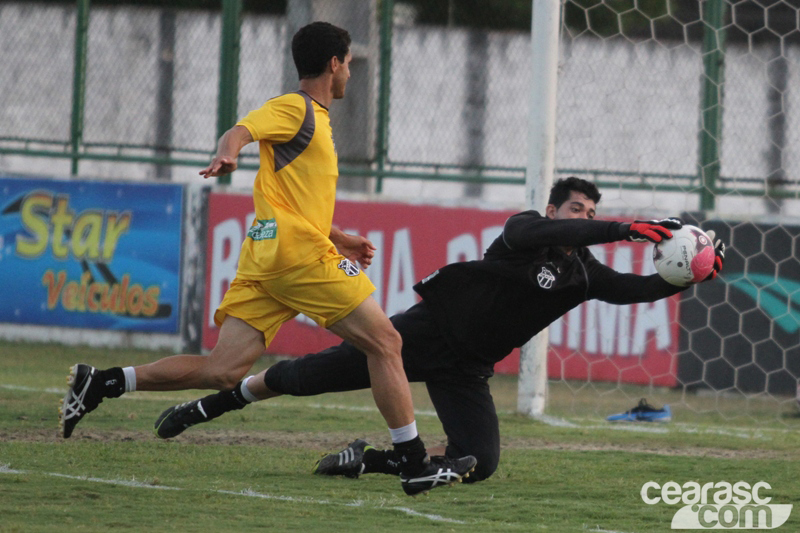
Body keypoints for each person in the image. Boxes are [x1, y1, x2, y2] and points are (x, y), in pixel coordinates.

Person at [58, 21, 476, 497]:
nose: (349, 73)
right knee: (386, 342)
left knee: (223, 370)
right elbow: (240, 130)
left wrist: (338, 236)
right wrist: (228, 154)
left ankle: (103, 383)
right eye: (348, 64)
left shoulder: (314, 119)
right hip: (297, 257)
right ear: (334, 64)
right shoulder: (297, 108)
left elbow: (293, 199)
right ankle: (414, 461)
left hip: (269, 258)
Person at [151, 177, 726, 484]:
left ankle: (370, 461)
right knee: (304, 376)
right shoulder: (524, 229)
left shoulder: (583, 274)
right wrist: (625, 228)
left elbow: (636, 289)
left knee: (480, 461)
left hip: (467, 368)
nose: (584, 218)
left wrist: (690, 275)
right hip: (422, 335)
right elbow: (555, 236)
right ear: (553, 210)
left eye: (591, 212)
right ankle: (211, 405)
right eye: (576, 209)